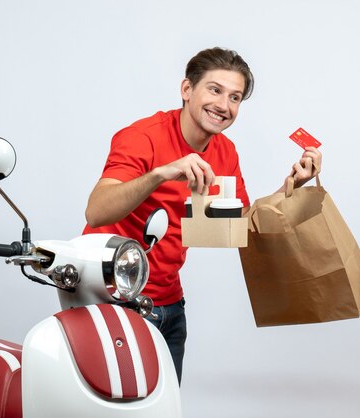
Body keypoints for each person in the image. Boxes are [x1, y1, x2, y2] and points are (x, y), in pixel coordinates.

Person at [83, 47, 322, 384]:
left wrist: (292, 187)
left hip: (167, 302)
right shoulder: (142, 136)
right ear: (186, 90)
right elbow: (96, 212)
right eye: (215, 90)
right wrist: (162, 173)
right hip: (111, 296)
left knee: (164, 407)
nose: (224, 105)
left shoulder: (225, 151)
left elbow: (240, 226)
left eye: (235, 97)